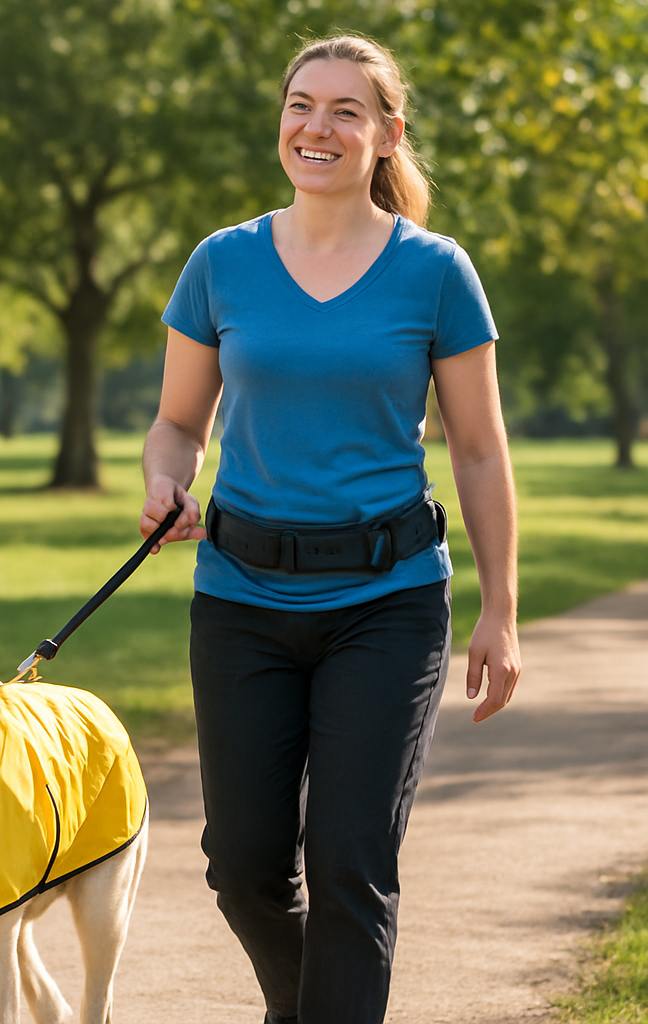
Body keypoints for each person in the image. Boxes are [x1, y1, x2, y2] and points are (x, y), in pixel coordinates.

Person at [139, 33, 521, 1024]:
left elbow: (477, 448)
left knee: (350, 861)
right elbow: (179, 422)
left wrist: (501, 612)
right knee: (242, 866)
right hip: (240, 597)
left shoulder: (435, 272)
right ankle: (307, 1005)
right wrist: (165, 480)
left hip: (386, 602)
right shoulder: (220, 263)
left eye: (346, 110)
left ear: (387, 134)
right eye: (299, 104)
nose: (316, 126)